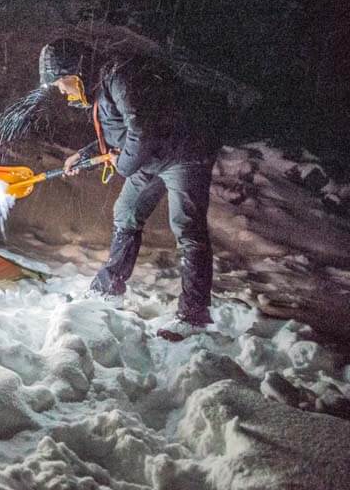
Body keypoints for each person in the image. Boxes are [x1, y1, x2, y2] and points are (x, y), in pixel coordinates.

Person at [37, 38, 221, 341]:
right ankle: (108, 291)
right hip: (153, 156)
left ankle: (194, 316)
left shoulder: (120, 76)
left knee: (187, 228)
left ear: (76, 72)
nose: (61, 89)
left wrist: (122, 165)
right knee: (126, 212)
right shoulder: (102, 85)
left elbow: (141, 128)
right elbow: (121, 134)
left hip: (185, 152)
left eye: (60, 81)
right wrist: (86, 155)